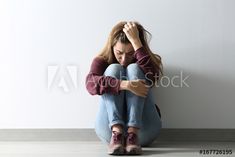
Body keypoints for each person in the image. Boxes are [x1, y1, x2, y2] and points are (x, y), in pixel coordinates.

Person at [85, 21, 163, 155]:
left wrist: (136, 41)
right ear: (112, 47)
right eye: (119, 53)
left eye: (130, 53)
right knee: (114, 68)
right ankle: (117, 132)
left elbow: (153, 76)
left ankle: (132, 134)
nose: (124, 59)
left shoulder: (144, 58)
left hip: (144, 131)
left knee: (134, 68)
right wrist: (125, 84)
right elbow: (90, 83)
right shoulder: (102, 60)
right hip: (109, 132)